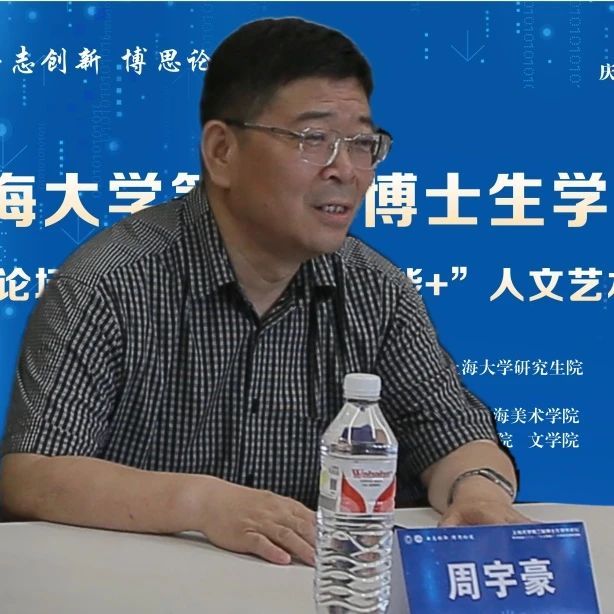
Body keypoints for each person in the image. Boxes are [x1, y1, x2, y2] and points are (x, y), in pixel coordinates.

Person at [0, 17, 527, 567]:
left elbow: (454, 435)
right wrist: (201, 505)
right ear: (222, 151)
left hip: (312, 589)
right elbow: (32, 474)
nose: (346, 170)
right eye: (313, 139)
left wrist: (479, 493)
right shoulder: (111, 282)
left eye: (361, 143)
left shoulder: (377, 291)